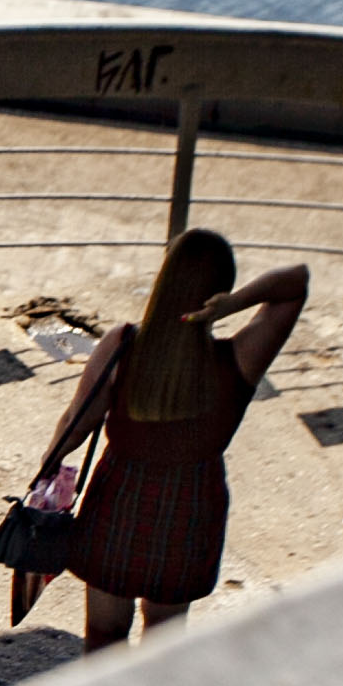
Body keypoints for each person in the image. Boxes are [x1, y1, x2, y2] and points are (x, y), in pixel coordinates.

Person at [26, 228, 307, 650]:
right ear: (220, 291)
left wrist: (47, 472)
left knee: (105, 634)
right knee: (164, 640)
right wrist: (236, 304)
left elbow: (77, 423)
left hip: (119, 499)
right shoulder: (239, 359)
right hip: (191, 508)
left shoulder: (122, 344)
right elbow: (295, 282)